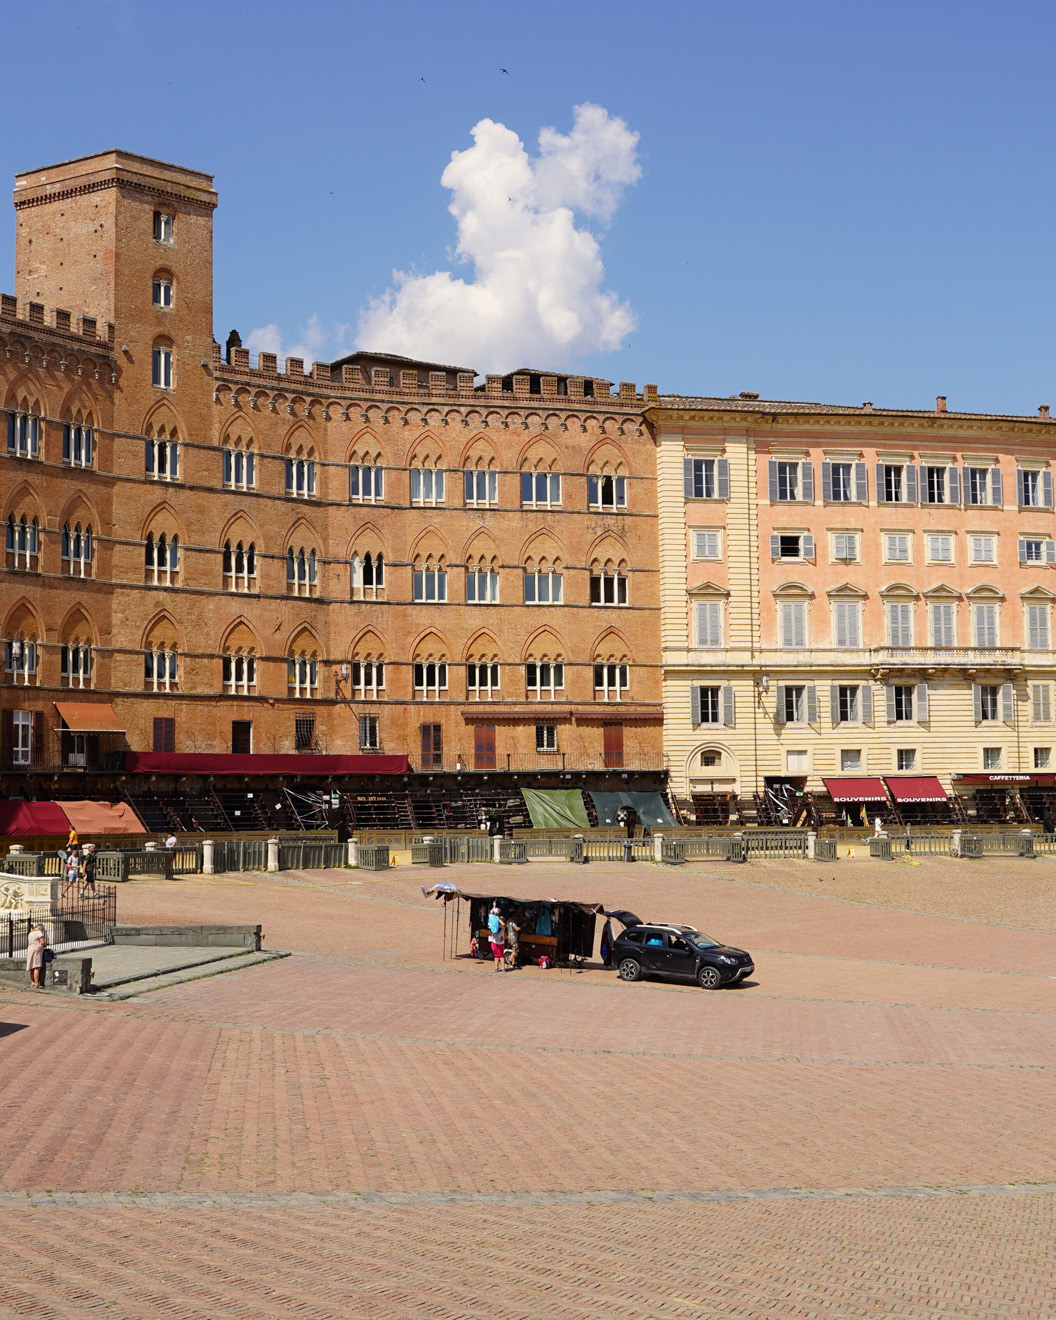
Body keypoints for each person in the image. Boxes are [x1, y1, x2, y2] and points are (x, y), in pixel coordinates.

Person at [26, 923, 47, 989]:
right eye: (42, 930)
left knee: (31, 967)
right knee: (36, 967)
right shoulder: (39, 932)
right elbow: (42, 942)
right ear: (40, 928)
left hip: (30, 949)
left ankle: (32, 982)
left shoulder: (30, 933)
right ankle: (37, 983)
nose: (42, 932)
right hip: (37, 950)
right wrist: (45, 945)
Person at [487, 902, 506, 972]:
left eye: (502, 919)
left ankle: (503, 968)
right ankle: (496, 967)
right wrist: (494, 906)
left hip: (500, 942)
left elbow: (503, 924)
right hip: (494, 941)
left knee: (501, 955)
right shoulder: (494, 925)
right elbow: (491, 913)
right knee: (496, 955)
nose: (500, 919)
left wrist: (498, 919)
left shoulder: (503, 926)